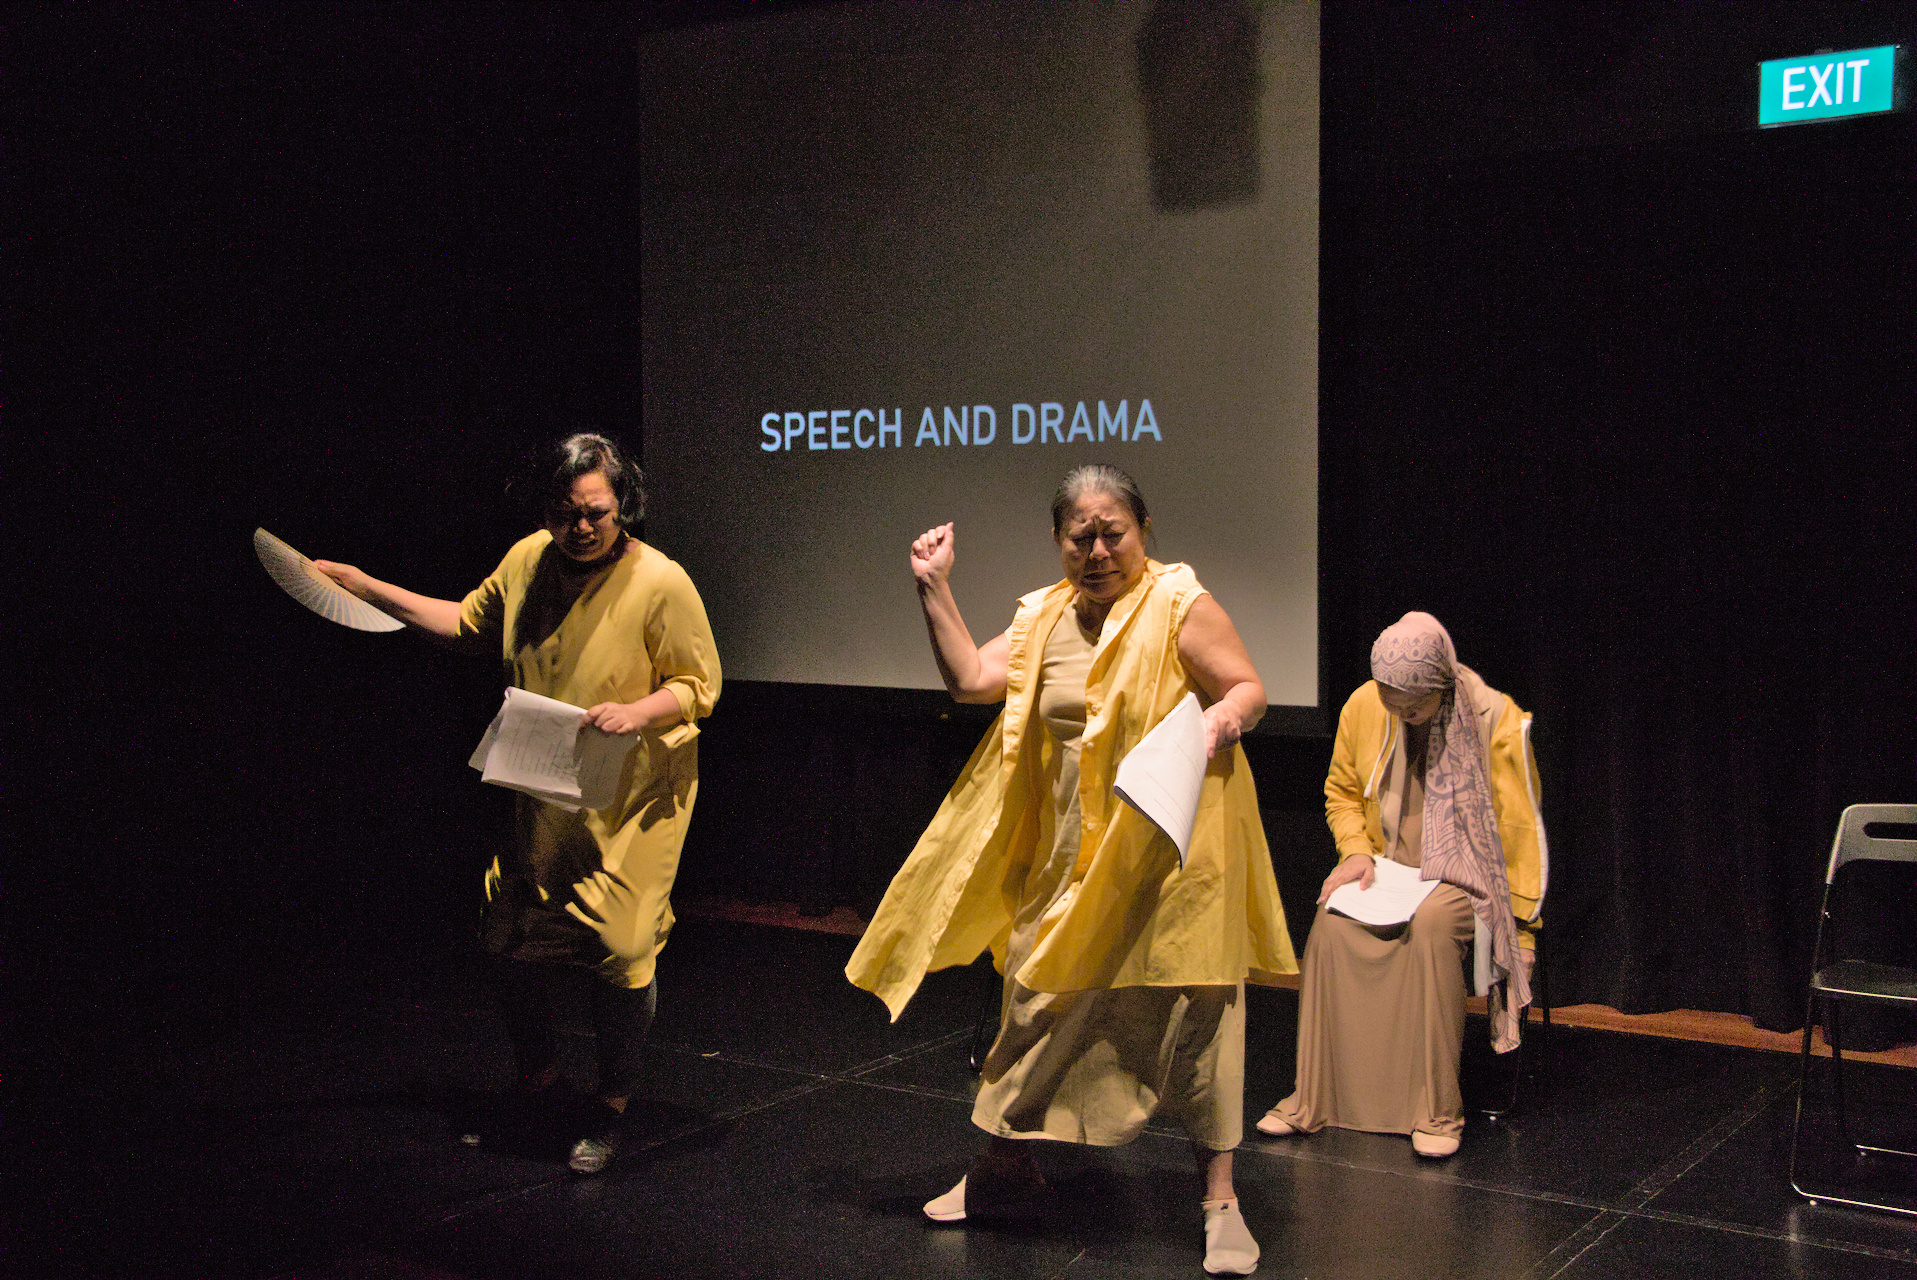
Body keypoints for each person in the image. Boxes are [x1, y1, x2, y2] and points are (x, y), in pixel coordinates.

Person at [846, 465, 1296, 1277]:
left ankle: (1219, 1202)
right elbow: (970, 680)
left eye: (1111, 532)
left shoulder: (1176, 605)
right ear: (1058, 541)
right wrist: (932, 588)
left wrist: (1219, 722)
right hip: (1067, 858)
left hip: (1171, 860)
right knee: (1032, 1002)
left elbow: (1248, 687)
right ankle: (1005, 1166)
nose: (1095, 550)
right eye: (1078, 536)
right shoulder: (1042, 616)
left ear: (1143, 528)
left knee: (1194, 1023)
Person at [313, 432, 720, 1173]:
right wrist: (366, 587)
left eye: (595, 511)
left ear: (621, 503)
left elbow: (699, 685)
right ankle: (539, 1081)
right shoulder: (528, 559)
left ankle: (612, 1103)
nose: (581, 528)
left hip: (630, 801)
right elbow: (468, 622)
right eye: (566, 514)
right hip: (543, 784)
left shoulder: (661, 581)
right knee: (507, 936)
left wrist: (639, 710)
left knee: (622, 947)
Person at [1256, 612, 1542, 1158]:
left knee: (1431, 927)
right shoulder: (1365, 706)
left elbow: (1522, 830)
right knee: (1332, 921)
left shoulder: (1494, 718)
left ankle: (1435, 1111)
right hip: (1390, 868)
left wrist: (1524, 930)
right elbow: (1341, 790)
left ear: (1440, 685)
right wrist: (1356, 852)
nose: (1402, 715)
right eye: (1394, 703)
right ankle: (1313, 1098)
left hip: (1467, 874)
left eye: (1415, 707)